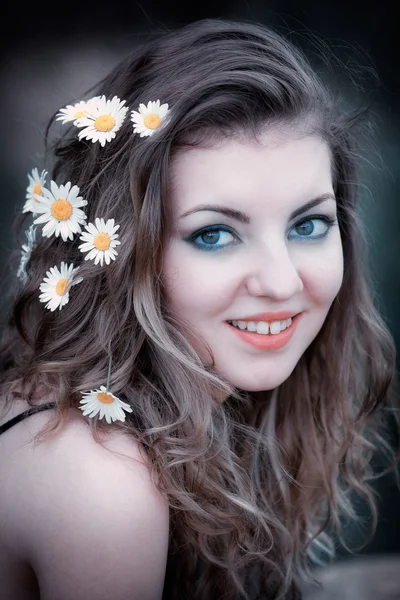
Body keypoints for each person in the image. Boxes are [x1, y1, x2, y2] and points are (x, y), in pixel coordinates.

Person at [0, 17, 399, 600]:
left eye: (309, 224)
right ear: (126, 251)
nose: (282, 282)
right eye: (214, 234)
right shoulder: (102, 484)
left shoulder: (163, 407)